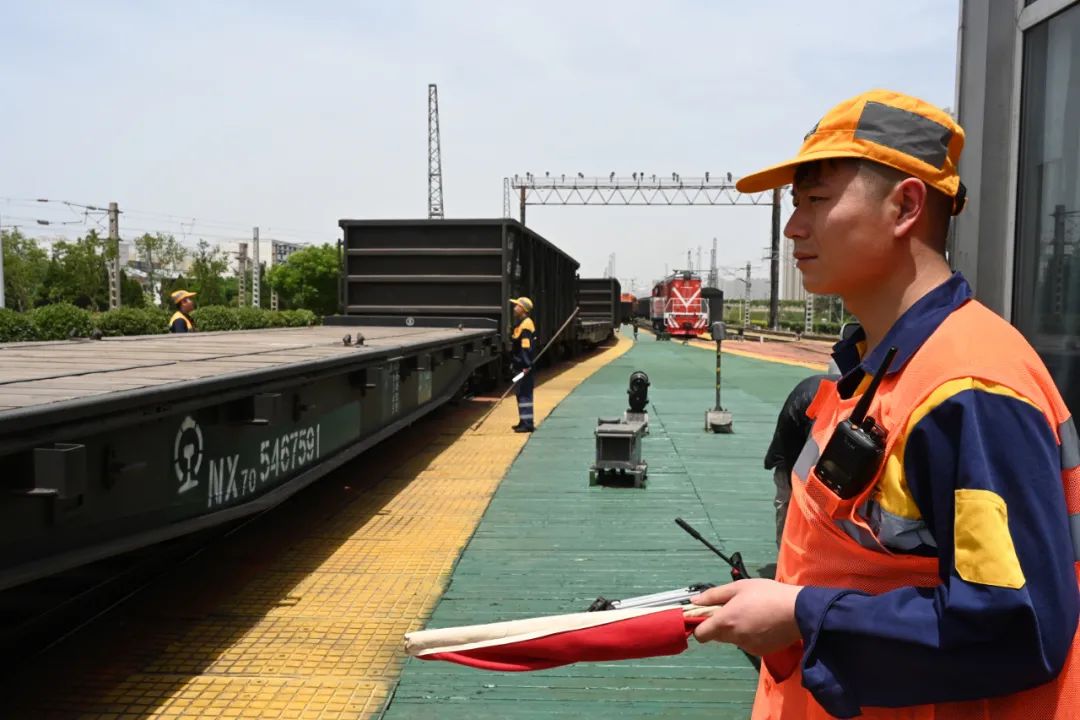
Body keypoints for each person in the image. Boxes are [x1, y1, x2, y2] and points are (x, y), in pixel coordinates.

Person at [691, 89, 1079, 718]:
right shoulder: (878, 369)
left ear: (905, 206)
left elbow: (1015, 625)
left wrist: (798, 614)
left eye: (816, 200)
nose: (794, 226)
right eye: (795, 205)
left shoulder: (971, 388)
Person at [510, 297, 536, 433]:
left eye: (517, 306)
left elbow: (525, 347)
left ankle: (527, 424)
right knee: (520, 392)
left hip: (523, 367)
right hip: (519, 366)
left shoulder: (526, 325)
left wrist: (526, 365)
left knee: (525, 394)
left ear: (523, 309)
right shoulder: (521, 323)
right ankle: (523, 421)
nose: (514, 308)